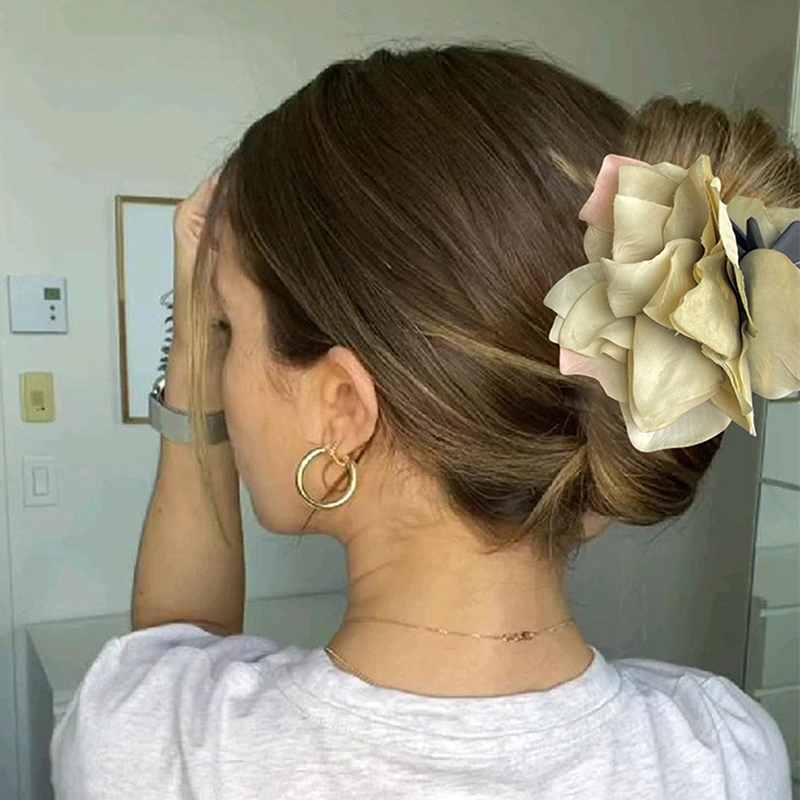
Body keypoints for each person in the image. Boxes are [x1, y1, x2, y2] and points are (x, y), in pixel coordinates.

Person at [50, 43, 797, 799]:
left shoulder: (152, 749)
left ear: (342, 407)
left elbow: (172, 651)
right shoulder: (724, 756)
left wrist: (190, 344)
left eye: (228, 330)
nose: (224, 372)